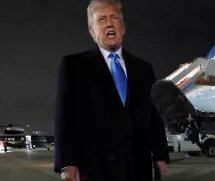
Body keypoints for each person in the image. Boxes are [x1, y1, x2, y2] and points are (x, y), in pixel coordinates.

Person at [53, 0, 169, 180]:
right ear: (92, 32)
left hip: (138, 167)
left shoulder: (144, 69)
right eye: (101, 20)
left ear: (122, 28)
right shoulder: (74, 66)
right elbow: (64, 116)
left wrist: (160, 155)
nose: (109, 23)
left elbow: (153, 115)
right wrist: (67, 162)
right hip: (95, 167)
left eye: (114, 17)